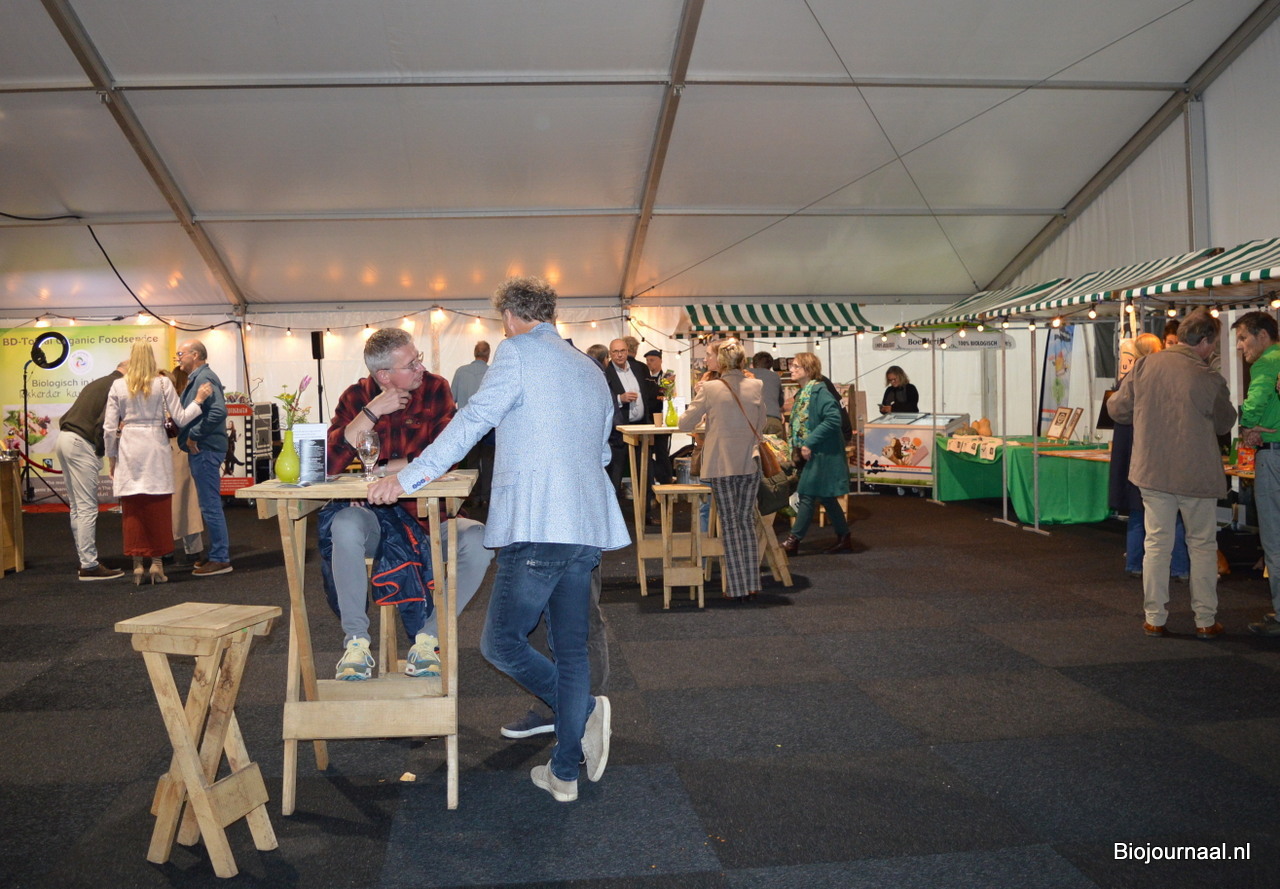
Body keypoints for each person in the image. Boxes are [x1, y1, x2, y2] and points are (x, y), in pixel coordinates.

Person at [368, 276, 630, 803]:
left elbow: (474, 421)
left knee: (501, 643)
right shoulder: (589, 367)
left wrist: (409, 477)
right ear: (549, 313)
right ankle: (564, 773)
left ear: (509, 316)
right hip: (585, 524)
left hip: (536, 524)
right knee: (570, 649)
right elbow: (603, 451)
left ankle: (579, 715)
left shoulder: (516, 352)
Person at [324, 328, 493, 682]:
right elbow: (329, 463)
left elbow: (446, 454)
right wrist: (372, 411)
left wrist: (384, 470)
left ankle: (428, 639)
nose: (421, 367)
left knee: (479, 540)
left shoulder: (435, 389)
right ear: (384, 376)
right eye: (411, 363)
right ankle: (356, 643)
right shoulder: (356, 398)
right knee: (344, 524)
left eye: (418, 359)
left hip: (430, 517)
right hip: (374, 519)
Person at [1107, 310, 1235, 639]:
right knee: (1202, 546)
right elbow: (1225, 422)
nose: (1213, 350)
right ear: (1204, 341)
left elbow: (1117, 409)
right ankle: (1205, 620)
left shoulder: (1145, 366)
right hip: (1196, 474)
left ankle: (1154, 618)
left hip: (1153, 471)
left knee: (1156, 544)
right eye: (1213, 344)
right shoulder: (1209, 376)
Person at [104, 341, 211, 585]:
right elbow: (181, 418)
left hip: (129, 448)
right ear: (152, 358)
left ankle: (137, 566)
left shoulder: (118, 385)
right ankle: (157, 565)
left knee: (133, 509)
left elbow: (109, 429)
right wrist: (198, 400)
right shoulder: (162, 383)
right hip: (155, 447)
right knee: (159, 508)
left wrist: (112, 458)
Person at [677, 338, 767, 601]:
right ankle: (752, 585)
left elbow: (684, 424)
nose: (707, 359)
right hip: (750, 461)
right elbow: (761, 424)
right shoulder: (756, 385)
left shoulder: (710, 388)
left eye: (709, 355)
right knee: (746, 521)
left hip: (722, 464)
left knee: (729, 523)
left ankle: (737, 588)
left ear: (722, 360)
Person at [1107, 335, 1190, 581]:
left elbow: (1117, 412)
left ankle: (1135, 564)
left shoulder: (1129, 380)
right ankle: (1179, 568)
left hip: (1136, 457)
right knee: (1172, 514)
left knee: (1138, 513)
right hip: (1160, 456)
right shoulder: (1165, 378)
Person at [54, 359, 129, 580]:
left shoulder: (99, 382)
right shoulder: (117, 385)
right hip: (81, 443)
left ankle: (85, 560)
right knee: (87, 508)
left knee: (78, 507)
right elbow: (103, 425)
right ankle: (89, 565)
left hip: (65, 438)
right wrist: (105, 452)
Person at [1234, 311, 1280, 637]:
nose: (1240, 346)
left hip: (1274, 458)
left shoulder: (1266, 363)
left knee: (1275, 541)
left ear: (1262, 336)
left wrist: (1248, 426)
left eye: (1243, 338)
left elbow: (1256, 401)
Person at [781, 352, 854, 556]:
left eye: (796, 366)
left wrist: (809, 442)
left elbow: (833, 419)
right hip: (815, 453)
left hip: (822, 453)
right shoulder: (805, 393)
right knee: (827, 497)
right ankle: (844, 538)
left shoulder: (819, 392)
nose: (791, 369)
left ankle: (793, 540)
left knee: (806, 493)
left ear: (808, 369)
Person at [175, 339, 232, 576]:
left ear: (196, 355)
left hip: (205, 448)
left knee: (210, 505)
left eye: (181, 353)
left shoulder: (204, 378)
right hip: (205, 448)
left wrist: (194, 435)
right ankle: (217, 554)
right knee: (208, 504)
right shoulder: (198, 378)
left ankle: (220, 558)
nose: (177, 357)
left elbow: (218, 411)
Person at [603, 338, 659, 504]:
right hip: (619, 431)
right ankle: (615, 513)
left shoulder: (638, 368)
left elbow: (648, 395)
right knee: (616, 474)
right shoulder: (606, 373)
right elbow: (604, 400)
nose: (619, 355)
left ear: (627, 351)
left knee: (645, 472)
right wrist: (620, 399)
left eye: (622, 351)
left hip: (642, 428)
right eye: (615, 352)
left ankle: (646, 511)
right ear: (610, 354)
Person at [164, 367, 204, 566]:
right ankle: (191, 551)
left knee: (177, 502)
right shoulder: (182, 399)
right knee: (187, 501)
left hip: (173, 449)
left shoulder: (173, 402)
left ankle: (167, 551)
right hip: (179, 450)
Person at [451, 341, 494, 507]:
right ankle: (486, 497)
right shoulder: (493, 372)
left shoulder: (460, 372)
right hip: (490, 428)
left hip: (467, 426)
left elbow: (451, 399)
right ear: (488, 355)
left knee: (471, 462)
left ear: (474, 353)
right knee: (489, 462)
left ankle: (473, 496)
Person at [643, 349, 673, 485]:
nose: (649, 363)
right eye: (647, 360)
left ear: (660, 360)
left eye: (652, 360)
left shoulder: (667, 376)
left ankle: (666, 481)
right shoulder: (645, 378)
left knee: (662, 452)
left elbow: (665, 395)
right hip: (648, 420)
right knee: (647, 452)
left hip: (661, 420)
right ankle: (655, 479)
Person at [751, 352, 785, 436]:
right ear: (770, 366)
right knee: (775, 444)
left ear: (753, 363)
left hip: (752, 421)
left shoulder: (745, 374)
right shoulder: (775, 376)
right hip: (772, 419)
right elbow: (780, 402)